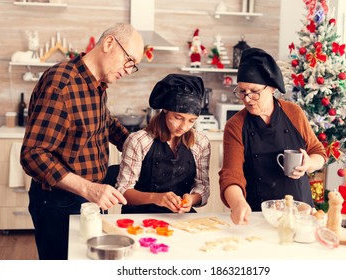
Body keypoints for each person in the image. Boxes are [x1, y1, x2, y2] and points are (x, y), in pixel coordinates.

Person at [20, 23, 144, 260]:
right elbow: (33, 155)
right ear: (109, 43)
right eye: (130, 60)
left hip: (86, 199)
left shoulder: (97, 84)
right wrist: (89, 188)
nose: (129, 70)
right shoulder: (61, 84)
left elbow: (105, 123)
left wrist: (140, 144)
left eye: (134, 66)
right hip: (59, 204)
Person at [219, 48, 327, 225]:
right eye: (242, 91)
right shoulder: (235, 126)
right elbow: (231, 176)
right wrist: (238, 203)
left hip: (300, 213)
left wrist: (309, 164)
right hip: (258, 215)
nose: (247, 99)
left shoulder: (294, 113)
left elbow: (318, 152)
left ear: (272, 88)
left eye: (254, 91)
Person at [116, 74, 211, 214]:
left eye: (191, 121)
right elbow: (123, 191)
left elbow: (203, 188)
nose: (184, 127)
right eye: (178, 118)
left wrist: (191, 199)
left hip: (179, 216)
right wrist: (155, 198)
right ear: (165, 110)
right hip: (139, 215)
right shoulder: (138, 141)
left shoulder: (200, 142)